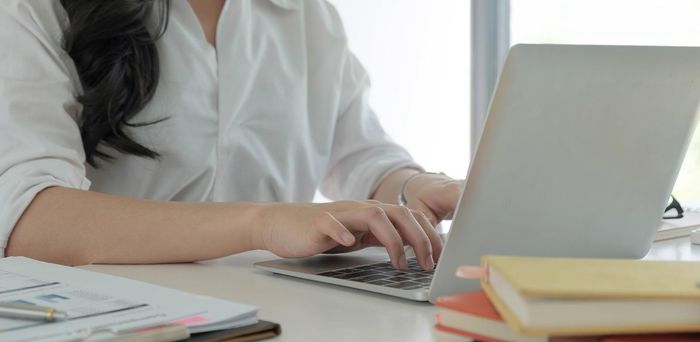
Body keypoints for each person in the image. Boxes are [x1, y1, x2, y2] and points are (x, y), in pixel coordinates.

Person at [0, 0, 463, 270]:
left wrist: (416, 188)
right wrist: (263, 224)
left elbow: (362, 154)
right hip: (109, 319)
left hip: (273, 315)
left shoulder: (307, 14)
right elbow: (29, 218)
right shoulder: (32, 10)